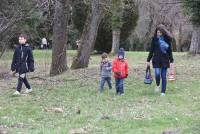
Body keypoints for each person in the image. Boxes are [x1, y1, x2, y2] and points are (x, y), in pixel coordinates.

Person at [146, 27, 174, 96]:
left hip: (165, 60)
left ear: (163, 32)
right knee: (157, 74)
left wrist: (171, 60)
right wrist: (148, 60)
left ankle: (163, 92)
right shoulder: (154, 39)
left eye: (160, 32)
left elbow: (169, 50)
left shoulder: (167, 40)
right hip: (156, 60)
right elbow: (151, 50)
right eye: (157, 32)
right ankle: (158, 85)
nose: (158, 34)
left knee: (163, 76)